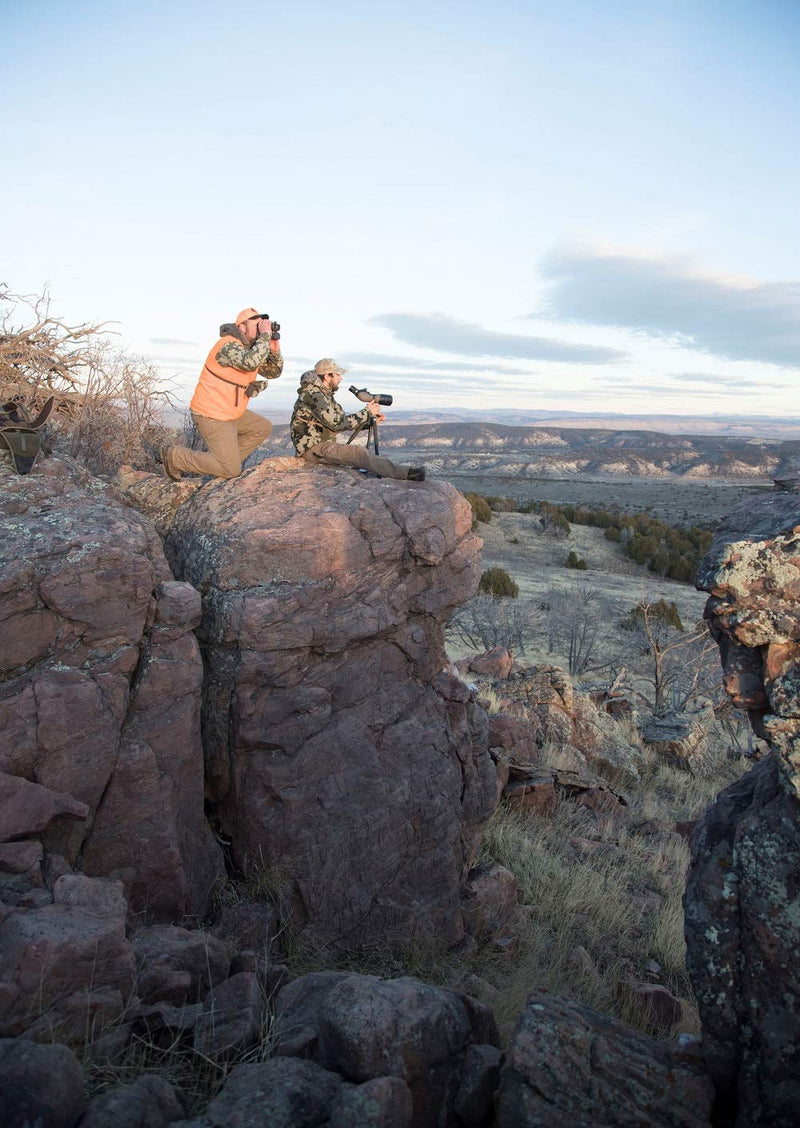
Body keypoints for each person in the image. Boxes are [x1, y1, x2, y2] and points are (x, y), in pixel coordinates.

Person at [162, 307, 283, 480]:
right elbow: (250, 363)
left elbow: (274, 372)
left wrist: (273, 347)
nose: (260, 328)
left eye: (261, 325)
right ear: (241, 327)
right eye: (256, 325)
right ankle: (175, 456)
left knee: (262, 427)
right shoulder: (228, 345)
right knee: (232, 471)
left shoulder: (251, 348)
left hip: (229, 412)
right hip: (211, 414)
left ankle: (224, 464)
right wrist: (263, 337)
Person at [290, 360, 426, 481]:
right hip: (313, 449)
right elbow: (337, 423)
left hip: (319, 447)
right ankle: (407, 473)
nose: (341, 378)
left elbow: (342, 420)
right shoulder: (313, 395)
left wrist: (369, 421)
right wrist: (366, 412)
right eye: (337, 375)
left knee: (358, 454)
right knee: (358, 453)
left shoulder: (323, 395)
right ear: (327, 376)